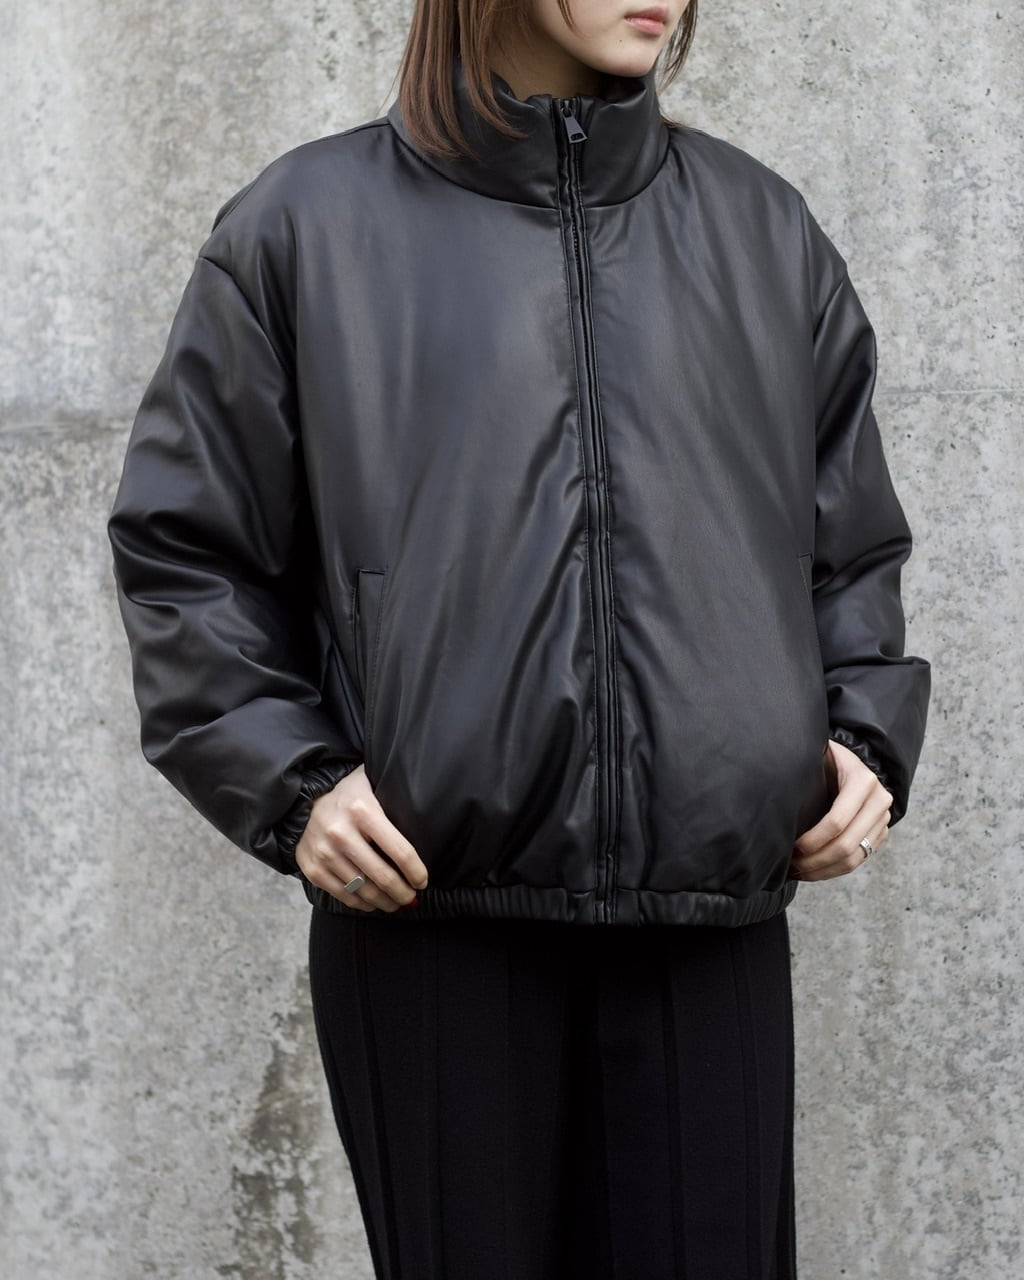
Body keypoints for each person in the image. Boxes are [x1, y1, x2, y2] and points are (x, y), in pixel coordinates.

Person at [107, 0, 931, 1274]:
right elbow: (186, 548)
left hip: (705, 923)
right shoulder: (302, 229)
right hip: (431, 921)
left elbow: (847, 546)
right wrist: (295, 783)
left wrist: (863, 735)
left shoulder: (763, 230)